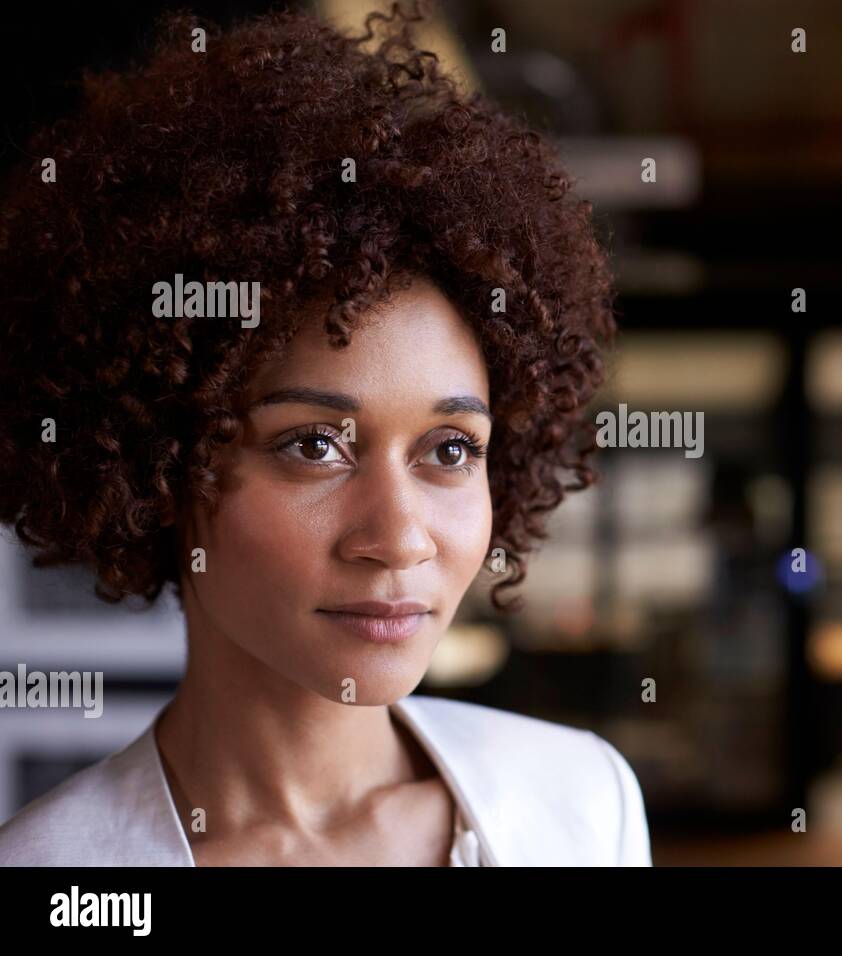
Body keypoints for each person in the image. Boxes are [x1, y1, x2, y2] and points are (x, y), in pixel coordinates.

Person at [0, 2, 649, 866]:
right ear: (156, 468)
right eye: (313, 445)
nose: (399, 538)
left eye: (450, 450)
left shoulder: (580, 806)